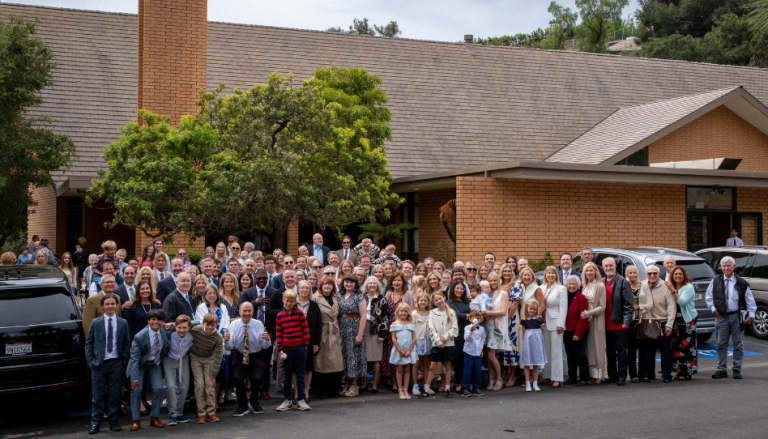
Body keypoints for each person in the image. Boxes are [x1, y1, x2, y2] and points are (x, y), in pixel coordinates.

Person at [85, 293, 131, 434]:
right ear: (103, 306)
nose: (110, 306)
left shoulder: (122, 323)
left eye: (113, 304)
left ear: (116, 305)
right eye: (107, 304)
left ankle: (113, 421)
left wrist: (123, 358)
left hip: (116, 363)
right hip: (99, 363)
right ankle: (95, 422)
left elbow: (126, 341)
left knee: (114, 394)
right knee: (98, 395)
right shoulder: (96, 322)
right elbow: (89, 343)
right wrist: (91, 361)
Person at [705, 256, 757, 380]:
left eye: (729, 265)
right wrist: (714, 310)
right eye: (724, 265)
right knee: (721, 344)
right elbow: (708, 297)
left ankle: (737, 369)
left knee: (738, 344)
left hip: (736, 316)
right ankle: (721, 369)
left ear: (734, 267)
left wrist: (751, 315)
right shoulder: (715, 281)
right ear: (721, 267)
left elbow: (750, 300)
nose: (726, 268)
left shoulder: (741, 282)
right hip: (721, 317)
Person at [225, 301, 270, 416]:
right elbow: (230, 347)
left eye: (249, 311)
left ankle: (254, 402)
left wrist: (267, 339)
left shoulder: (258, 324)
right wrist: (226, 340)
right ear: (239, 312)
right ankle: (242, 405)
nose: (247, 313)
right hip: (240, 354)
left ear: (253, 312)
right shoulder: (234, 325)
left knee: (256, 378)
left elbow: (264, 346)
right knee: (238, 378)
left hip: (255, 354)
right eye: (244, 311)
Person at [127, 308, 169, 431]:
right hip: (139, 364)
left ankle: (154, 418)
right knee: (136, 390)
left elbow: (188, 322)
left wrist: (173, 324)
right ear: (148, 321)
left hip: (154, 363)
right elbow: (134, 359)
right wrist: (134, 379)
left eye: (159, 320)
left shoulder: (164, 331)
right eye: (153, 319)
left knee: (158, 388)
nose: (155, 322)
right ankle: (136, 420)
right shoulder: (139, 336)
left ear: (162, 321)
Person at [274, 289, 312, 411]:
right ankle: (287, 400)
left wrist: (305, 345)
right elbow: (279, 334)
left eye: (291, 301)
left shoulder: (300, 314)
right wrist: (280, 348)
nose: (289, 303)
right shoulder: (280, 316)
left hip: (300, 348)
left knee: (300, 374)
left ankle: (300, 399)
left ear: (295, 302)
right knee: (287, 375)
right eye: (287, 301)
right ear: (283, 300)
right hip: (286, 349)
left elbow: (306, 330)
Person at [637, 265, 675, 383]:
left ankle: (666, 374)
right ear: (646, 274)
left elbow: (671, 306)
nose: (652, 275)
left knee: (665, 350)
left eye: (655, 273)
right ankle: (648, 374)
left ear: (659, 274)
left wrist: (669, 324)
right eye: (649, 273)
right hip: (647, 321)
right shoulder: (642, 285)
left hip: (662, 321)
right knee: (647, 350)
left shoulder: (665, 286)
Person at [601, 257, 633, 386]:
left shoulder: (623, 281)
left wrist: (626, 321)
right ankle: (612, 375)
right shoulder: (602, 282)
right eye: (606, 266)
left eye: (611, 265)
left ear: (615, 266)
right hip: (604, 324)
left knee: (621, 352)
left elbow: (628, 304)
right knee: (609, 352)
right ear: (603, 268)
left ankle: (622, 375)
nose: (608, 268)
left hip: (619, 324)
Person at [381, 272, 415, 391]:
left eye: (399, 280)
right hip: (391, 328)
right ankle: (394, 381)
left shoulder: (408, 294)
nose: (396, 282)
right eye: (394, 280)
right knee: (392, 355)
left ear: (403, 282)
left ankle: (404, 383)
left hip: (404, 329)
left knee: (403, 355)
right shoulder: (388, 294)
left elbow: (412, 313)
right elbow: (384, 313)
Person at [189, 312, 226, 423]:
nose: (209, 327)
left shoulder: (218, 337)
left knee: (209, 384)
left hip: (209, 358)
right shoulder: (196, 329)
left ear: (216, 324)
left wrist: (213, 375)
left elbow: (218, 356)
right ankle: (201, 413)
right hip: (195, 357)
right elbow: (184, 325)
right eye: (207, 324)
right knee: (199, 384)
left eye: (212, 325)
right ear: (203, 323)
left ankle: (211, 412)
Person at [312, 277, 344, 399]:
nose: (327, 286)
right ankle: (321, 390)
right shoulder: (315, 298)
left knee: (335, 362)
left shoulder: (336, 298)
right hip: (322, 331)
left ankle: (333, 389)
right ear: (321, 285)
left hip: (334, 332)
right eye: (325, 284)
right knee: (321, 362)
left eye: (330, 284)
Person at [337, 274, 367, 396]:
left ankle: (354, 384)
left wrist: (359, 334)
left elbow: (363, 316)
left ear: (356, 284)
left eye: (352, 282)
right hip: (341, 328)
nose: (349, 284)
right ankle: (347, 382)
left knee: (354, 357)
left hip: (354, 328)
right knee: (345, 357)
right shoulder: (338, 295)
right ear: (343, 283)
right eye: (347, 282)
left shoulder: (359, 296)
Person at [666, 266, 698, 380]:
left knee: (686, 346)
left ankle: (686, 372)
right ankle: (679, 371)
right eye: (675, 274)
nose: (678, 276)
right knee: (676, 346)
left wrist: (673, 290)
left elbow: (682, 302)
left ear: (684, 275)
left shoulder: (688, 287)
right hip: (674, 321)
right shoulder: (671, 286)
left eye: (680, 274)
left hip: (687, 320)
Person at [163, 315, 194, 426]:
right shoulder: (169, 333)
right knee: (171, 386)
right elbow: (156, 325)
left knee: (184, 386)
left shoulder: (192, 334)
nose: (182, 330)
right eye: (179, 327)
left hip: (183, 359)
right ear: (175, 327)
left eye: (185, 328)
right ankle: (172, 414)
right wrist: (170, 323)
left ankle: (179, 412)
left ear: (189, 327)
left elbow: (201, 322)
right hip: (169, 359)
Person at [294, 280, 322, 402]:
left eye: (307, 288)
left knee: (307, 368)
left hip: (308, 342)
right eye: (302, 288)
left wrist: (316, 343)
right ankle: (296, 393)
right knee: (295, 368)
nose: (304, 290)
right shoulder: (292, 304)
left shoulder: (314, 305)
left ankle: (305, 393)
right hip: (293, 341)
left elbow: (318, 326)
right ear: (298, 289)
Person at [426, 292, 458, 398]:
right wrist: (438, 341)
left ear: (444, 298)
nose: (439, 301)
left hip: (448, 343)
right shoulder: (432, 313)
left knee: (447, 366)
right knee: (432, 366)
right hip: (436, 344)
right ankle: (426, 388)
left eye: (440, 298)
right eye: (436, 300)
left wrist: (444, 338)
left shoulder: (451, 312)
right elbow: (431, 328)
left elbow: (454, 328)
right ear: (434, 303)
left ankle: (447, 388)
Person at [484, 272, 511, 391]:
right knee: (487, 355)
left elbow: (503, 312)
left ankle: (499, 378)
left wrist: (488, 313)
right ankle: (491, 378)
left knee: (491, 355)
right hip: (487, 326)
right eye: (490, 281)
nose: (492, 283)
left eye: (495, 280)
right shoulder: (487, 294)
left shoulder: (503, 294)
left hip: (497, 327)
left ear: (498, 281)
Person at [580, 262, 607, 384]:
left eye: (591, 270)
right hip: (586, 320)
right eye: (587, 271)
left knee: (596, 347)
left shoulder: (600, 286)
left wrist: (590, 313)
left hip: (596, 320)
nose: (589, 273)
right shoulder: (585, 285)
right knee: (587, 347)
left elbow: (602, 306)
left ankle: (595, 375)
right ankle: (588, 374)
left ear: (596, 271)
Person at [541, 266, 567, 388]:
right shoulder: (541, 288)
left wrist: (561, 324)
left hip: (556, 320)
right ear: (545, 275)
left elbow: (563, 308)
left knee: (556, 351)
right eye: (548, 273)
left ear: (556, 275)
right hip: (543, 321)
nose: (550, 275)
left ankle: (557, 377)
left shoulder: (561, 289)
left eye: (553, 273)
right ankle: (547, 375)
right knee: (546, 350)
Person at [563, 275, 590, 386]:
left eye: (574, 284)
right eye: (570, 283)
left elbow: (583, 317)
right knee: (570, 355)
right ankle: (572, 377)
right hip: (567, 330)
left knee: (580, 354)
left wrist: (577, 333)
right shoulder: (565, 296)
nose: (572, 286)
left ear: (578, 285)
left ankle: (584, 378)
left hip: (579, 330)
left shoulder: (581, 298)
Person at [364, 276, 388, 394]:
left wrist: (383, 334)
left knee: (375, 358)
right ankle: (364, 383)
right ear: (366, 285)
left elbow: (385, 317)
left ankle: (374, 384)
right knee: (363, 357)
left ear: (377, 285)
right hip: (362, 329)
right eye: (370, 283)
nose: (372, 285)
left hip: (376, 330)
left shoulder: (382, 299)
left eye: (374, 283)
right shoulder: (361, 297)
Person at [389, 303, 418, 400]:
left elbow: (414, 338)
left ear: (408, 313)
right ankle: (400, 389)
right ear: (398, 312)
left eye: (405, 311)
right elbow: (393, 338)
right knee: (399, 369)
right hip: (399, 349)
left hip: (409, 350)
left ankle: (406, 389)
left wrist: (410, 350)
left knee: (407, 370)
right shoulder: (394, 324)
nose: (403, 313)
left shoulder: (411, 324)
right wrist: (400, 350)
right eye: (401, 311)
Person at [521, 300, 547, 392]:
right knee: (527, 363)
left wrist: (538, 340)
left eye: (534, 309)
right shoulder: (524, 320)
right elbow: (523, 333)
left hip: (537, 342)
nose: (532, 311)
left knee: (536, 363)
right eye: (530, 308)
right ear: (527, 309)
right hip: (528, 343)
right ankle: (528, 383)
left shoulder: (539, 319)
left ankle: (535, 383)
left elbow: (541, 331)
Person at [460, 310, 485, 397]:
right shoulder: (467, 327)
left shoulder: (482, 329)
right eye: (474, 318)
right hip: (469, 353)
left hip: (477, 353)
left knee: (477, 371)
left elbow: (482, 339)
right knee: (467, 371)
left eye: (478, 318)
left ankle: (476, 388)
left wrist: (481, 349)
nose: (476, 320)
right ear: (470, 319)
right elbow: (466, 338)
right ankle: (464, 388)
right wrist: (471, 330)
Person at [411, 293, 433, 397]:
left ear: (428, 302)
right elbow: (412, 328)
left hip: (428, 340)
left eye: (425, 301)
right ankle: (415, 385)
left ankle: (426, 385)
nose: (423, 302)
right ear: (418, 302)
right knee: (416, 364)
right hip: (417, 340)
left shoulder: (431, 313)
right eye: (421, 300)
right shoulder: (414, 314)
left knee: (426, 364)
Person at [625, 266, 643, 383]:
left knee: (642, 348)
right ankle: (633, 374)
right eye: (630, 273)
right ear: (627, 274)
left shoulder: (643, 285)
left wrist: (640, 307)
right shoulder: (624, 285)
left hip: (641, 320)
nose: (632, 274)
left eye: (634, 273)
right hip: (629, 321)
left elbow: (649, 302)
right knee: (631, 349)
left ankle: (642, 373)